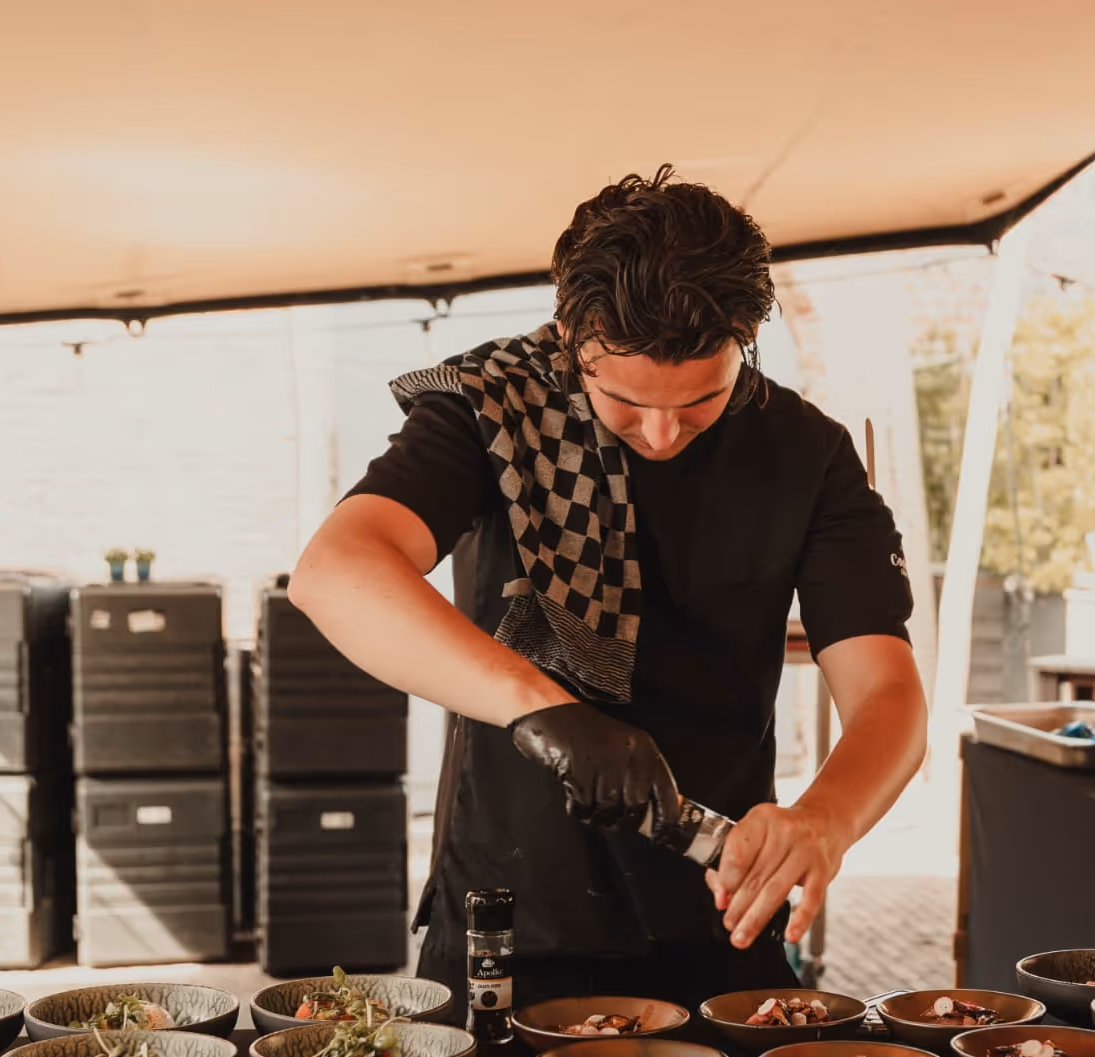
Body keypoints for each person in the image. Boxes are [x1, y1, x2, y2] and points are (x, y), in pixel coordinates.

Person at [288, 166, 928, 1011]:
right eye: (624, 403)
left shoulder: (808, 453)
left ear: (746, 338)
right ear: (570, 336)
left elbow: (888, 692)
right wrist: (543, 708)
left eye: (701, 400)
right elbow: (335, 570)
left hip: (720, 904)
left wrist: (825, 820)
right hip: (512, 918)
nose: (662, 433)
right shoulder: (490, 409)